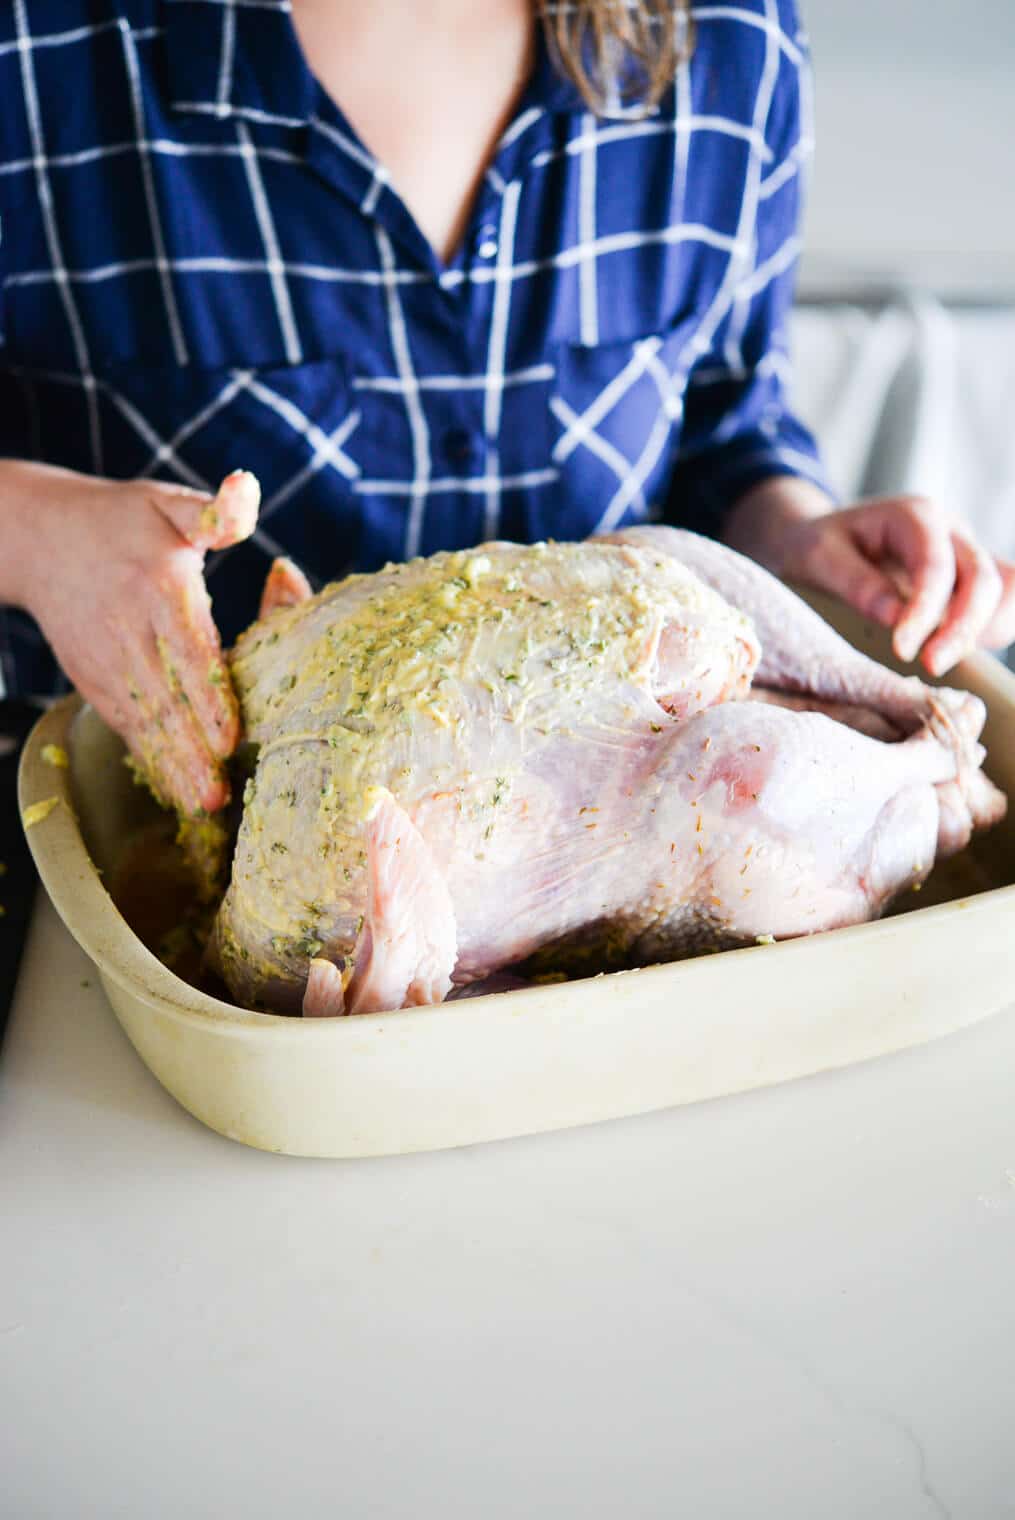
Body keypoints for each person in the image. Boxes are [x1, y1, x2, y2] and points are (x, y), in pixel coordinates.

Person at [1, 0, 1012, 816]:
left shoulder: (727, 47)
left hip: (598, 840)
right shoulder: (41, 46)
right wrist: (36, 533)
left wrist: (792, 530)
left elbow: (721, 418)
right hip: (132, 837)